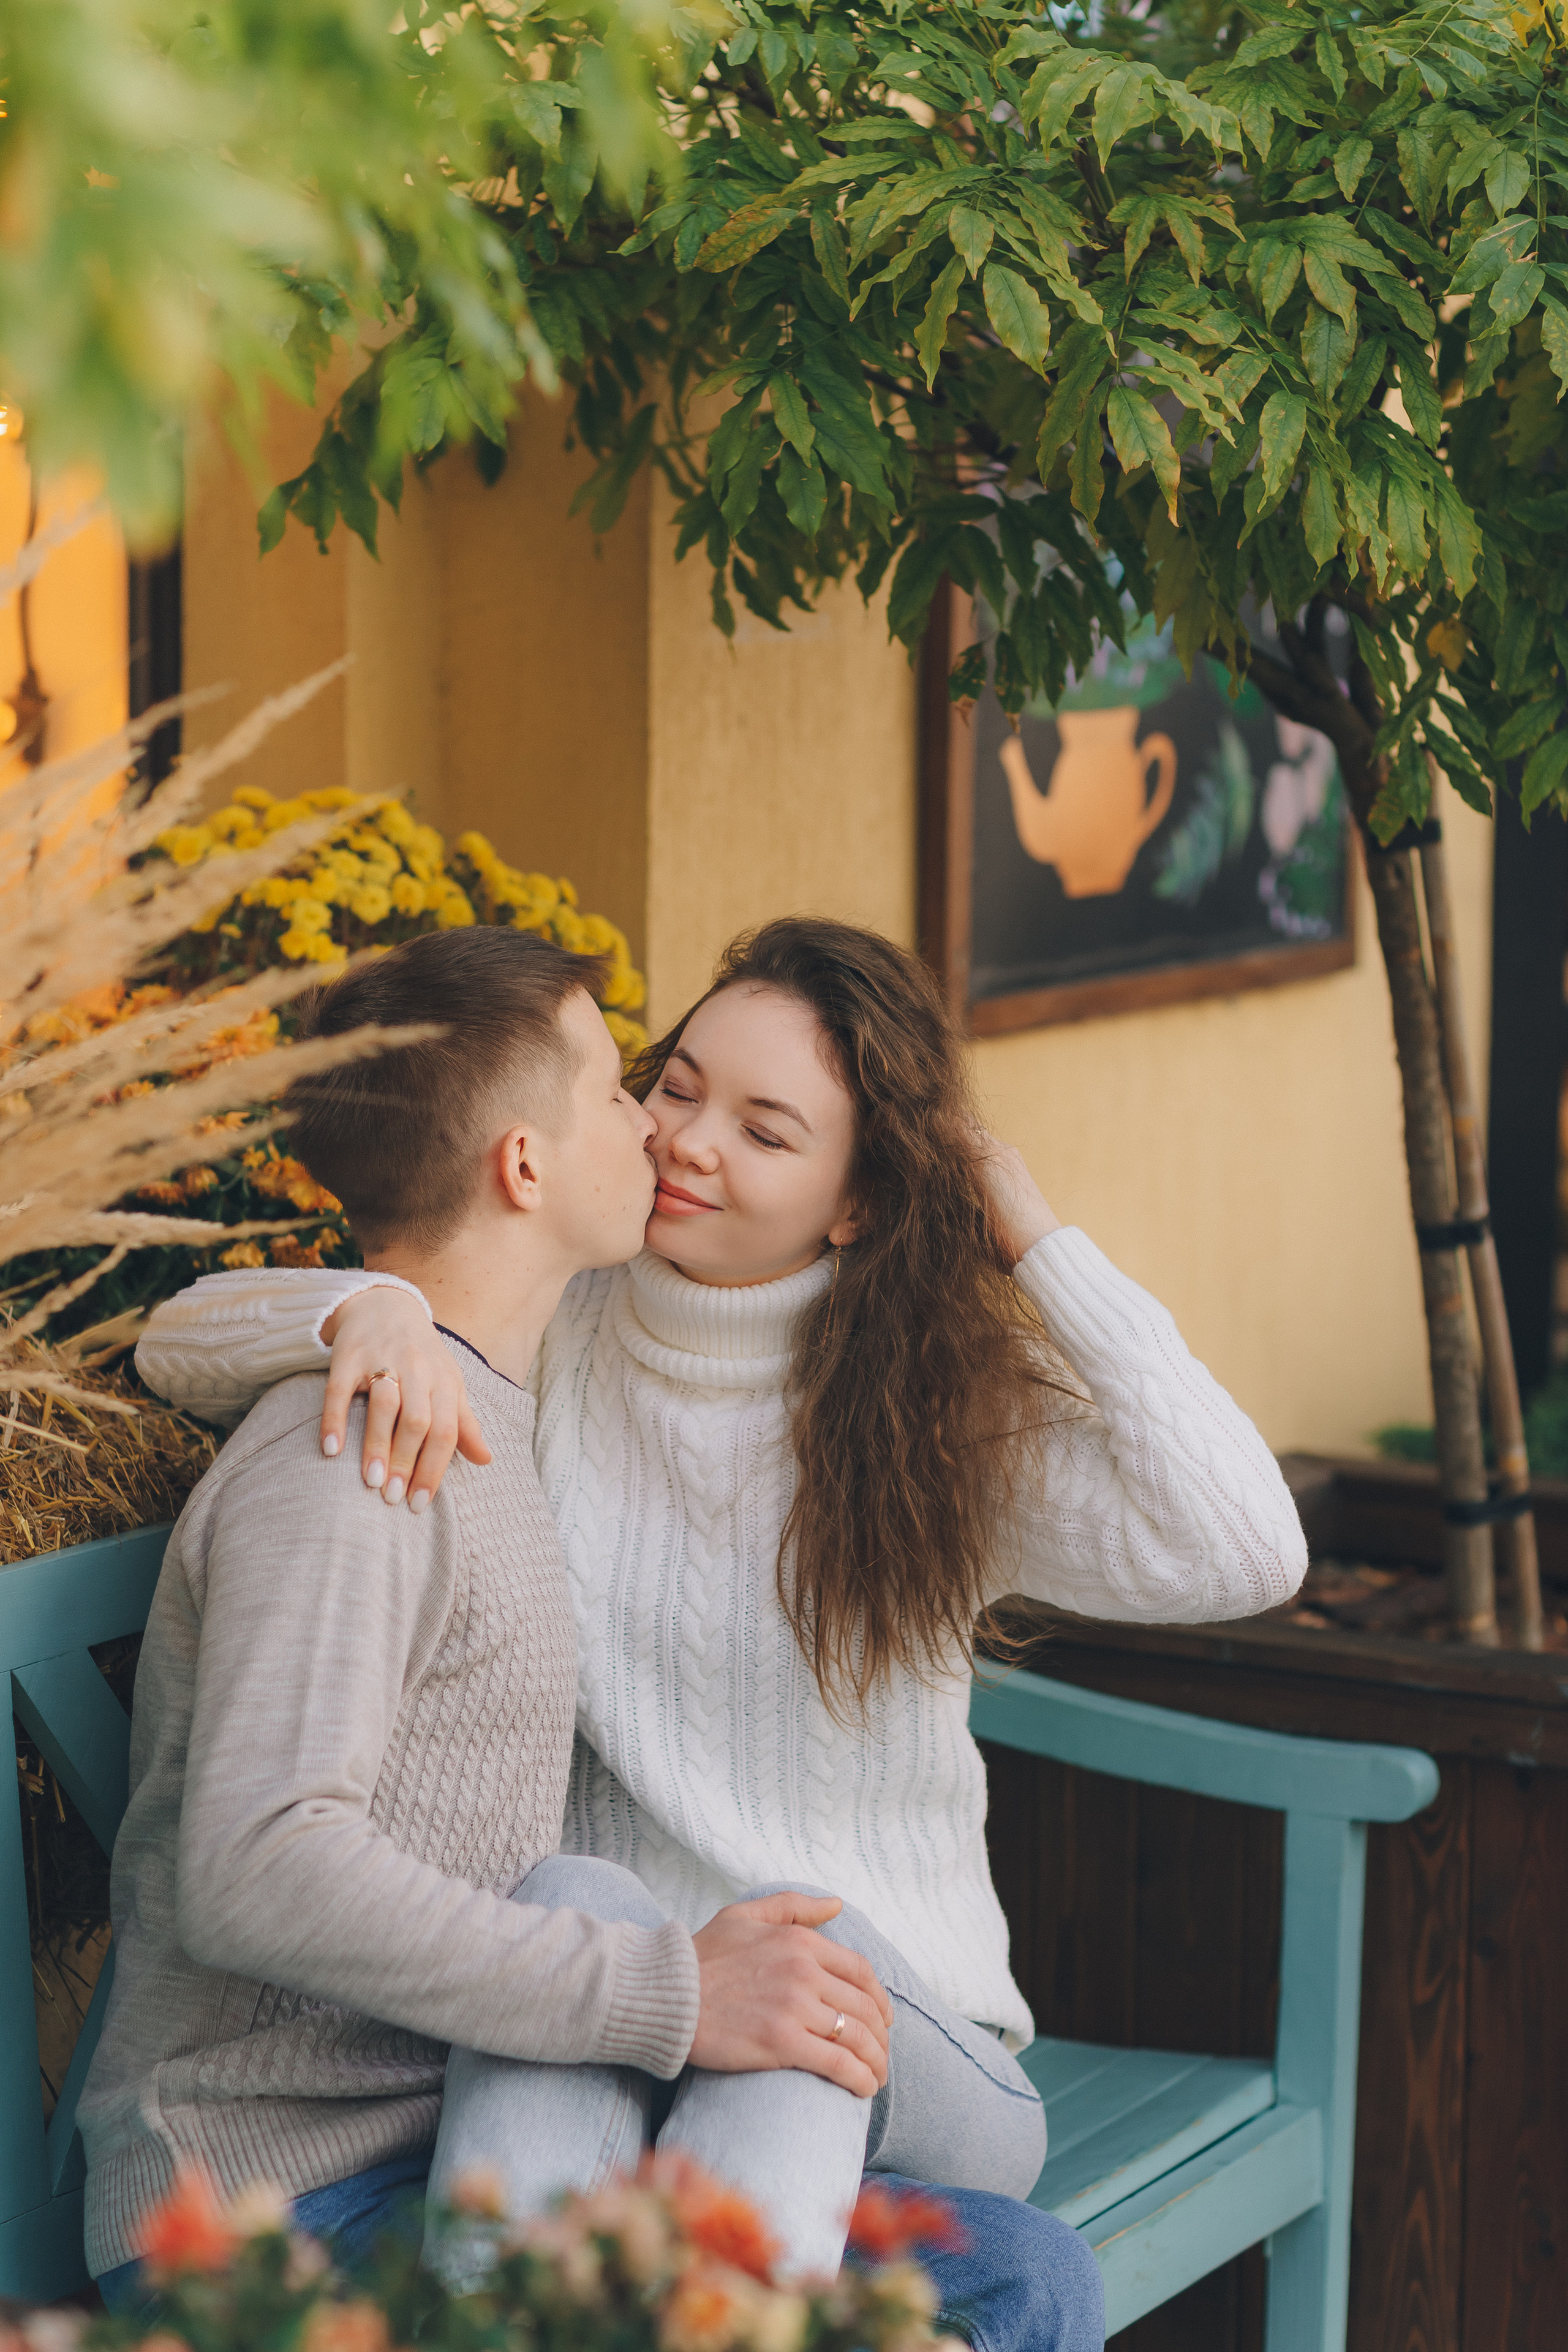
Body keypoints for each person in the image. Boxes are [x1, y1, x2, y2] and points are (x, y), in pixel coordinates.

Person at [140, 916, 1311, 2350]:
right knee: (1026, 2279)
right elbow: (195, 1339)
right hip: (611, 2027)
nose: (684, 1139)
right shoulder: (553, 1329)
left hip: (873, 2031)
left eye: (764, 1130)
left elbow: (1242, 1544)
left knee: (804, 1993)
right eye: (673, 1085)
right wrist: (358, 1310)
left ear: (855, 1201)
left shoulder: (923, 1416)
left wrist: (1022, 1218)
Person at [83, 929, 892, 2310]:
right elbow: (258, 1866)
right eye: (613, 1089)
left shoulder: (474, 1402)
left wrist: (363, 1303)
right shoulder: (360, 1458)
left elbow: (198, 1333)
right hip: (274, 2212)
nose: (653, 1124)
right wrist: (668, 1991)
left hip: (487, 2118)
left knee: (1022, 2267)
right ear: (525, 1165)